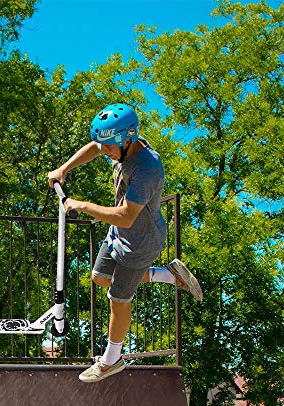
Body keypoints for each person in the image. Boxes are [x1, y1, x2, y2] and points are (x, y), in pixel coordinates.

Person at [47, 103, 202, 383]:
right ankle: (166, 275)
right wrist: (64, 169)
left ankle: (112, 359)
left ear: (127, 140)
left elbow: (126, 216)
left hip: (139, 244)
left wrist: (82, 205)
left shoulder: (148, 169)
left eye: (109, 148)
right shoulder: (121, 143)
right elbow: (95, 147)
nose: (104, 153)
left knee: (119, 300)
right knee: (99, 277)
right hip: (118, 236)